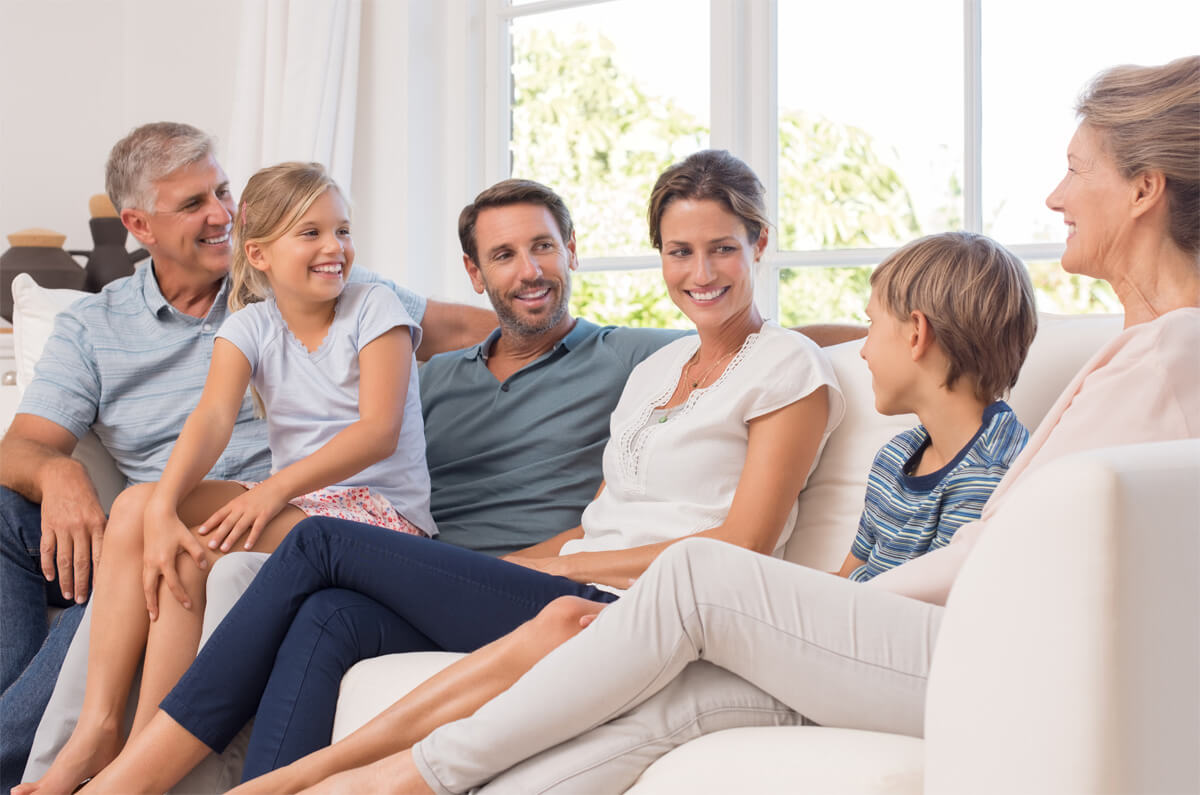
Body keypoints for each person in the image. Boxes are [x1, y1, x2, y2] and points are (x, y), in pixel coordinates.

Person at [313, 56, 1200, 795]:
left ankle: (396, 776)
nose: (1054, 194)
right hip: (969, 640)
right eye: (678, 251)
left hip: (990, 652)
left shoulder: (1167, 356)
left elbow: (994, 561)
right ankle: (395, 782)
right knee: (682, 702)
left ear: (1145, 191)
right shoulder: (1147, 347)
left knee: (703, 574)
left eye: (1078, 169)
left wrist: (810, 609)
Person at [77, 148, 846, 794]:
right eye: (681, 251)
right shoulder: (660, 369)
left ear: (760, 244)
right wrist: (548, 557)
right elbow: (607, 512)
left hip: (621, 604)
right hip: (535, 574)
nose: (701, 270)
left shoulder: (764, 363)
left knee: (319, 545)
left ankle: (130, 780)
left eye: (722, 248)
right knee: (328, 614)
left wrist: (893, 333)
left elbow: (741, 542)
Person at [217, 228, 1038, 794]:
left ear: (920, 334)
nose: (861, 347)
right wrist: (798, 620)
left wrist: (797, 620)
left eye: (876, 327)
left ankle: (391, 774)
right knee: (643, 716)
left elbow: (944, 601)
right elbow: (847, 575)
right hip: (812, 643)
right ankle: (374, 776)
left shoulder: (1005, 464)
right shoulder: (899, 455)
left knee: (334, 545)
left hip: (883, 662)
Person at [0, 122, 494, 791]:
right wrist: (159, 502)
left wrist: (548, 326)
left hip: (354, 509)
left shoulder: (361, 299)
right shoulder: (236, 323)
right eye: (195, 203)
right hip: (274, 505)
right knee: (141, 508)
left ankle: (131, 757)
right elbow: (207, 420)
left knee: (169, 533)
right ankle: (107, 732)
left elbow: (387, 419)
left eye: (223, 191)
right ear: (139, 224)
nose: (220, 213)